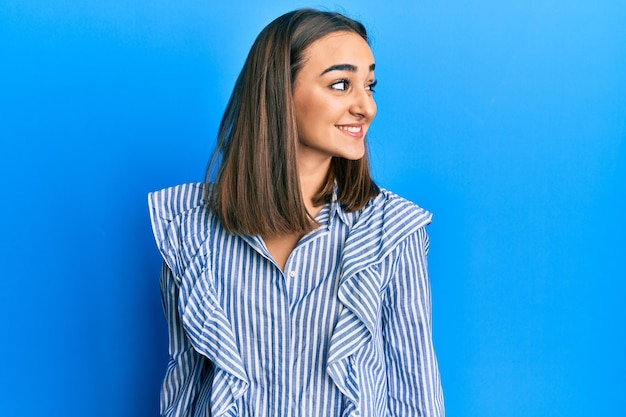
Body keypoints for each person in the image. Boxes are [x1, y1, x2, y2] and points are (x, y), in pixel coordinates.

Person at [148, 8, 444, 417]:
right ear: (278, 93)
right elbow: (183, 383)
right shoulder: (188, 227)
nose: (366, 107)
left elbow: (416, 394)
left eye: (370, 86)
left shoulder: (391, 231)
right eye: (341, 84)